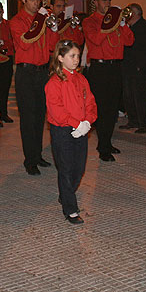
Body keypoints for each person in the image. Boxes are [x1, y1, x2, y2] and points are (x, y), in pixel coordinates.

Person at [45, 40, 97, 224]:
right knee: (66, 169)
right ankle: (70, 208)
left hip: (81, 129)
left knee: (79, 168)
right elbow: (57, 111)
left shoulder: (81, 79)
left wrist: (87, 122)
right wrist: (76, 123)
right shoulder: (54, 82)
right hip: (63, 130)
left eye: (77, 55)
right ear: (60, 58)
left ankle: (66, 193)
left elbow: (90, 102)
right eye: (72, 56)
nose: (76, 60)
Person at [10, 0, 60, 175]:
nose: (36, 3)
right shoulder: (17, 21)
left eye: (38, 0)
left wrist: (53, 28)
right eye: (32, 0)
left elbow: (51, 46)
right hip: (26, 73)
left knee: (40, 116)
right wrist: (40, 20)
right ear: (23, 0)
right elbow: (24, 41)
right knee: (28, 118)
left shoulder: (43, 20)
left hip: (42, 72)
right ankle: (29, 159)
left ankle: (37, 155)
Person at [82, 0, 135, 161]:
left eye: (109, 0)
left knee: (113, 109)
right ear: (95, 3)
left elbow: (130, 41)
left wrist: (122, 24)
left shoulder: (117, 21)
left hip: (116, 68)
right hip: (100, 68)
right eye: (104, 1)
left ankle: (106, 142)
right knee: (102, 108)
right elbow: (96, 40)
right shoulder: (90, 21)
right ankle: (103, 146)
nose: (108, 3)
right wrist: (109, 24)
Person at [119, 3, 146, 134]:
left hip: (140, 69)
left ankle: (145, 124)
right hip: (128, 68)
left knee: (141, 97)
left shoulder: (145, 27)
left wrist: (141, 65)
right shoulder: (130, 27)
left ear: (134, 14)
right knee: (128, 96)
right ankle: (133, 121)